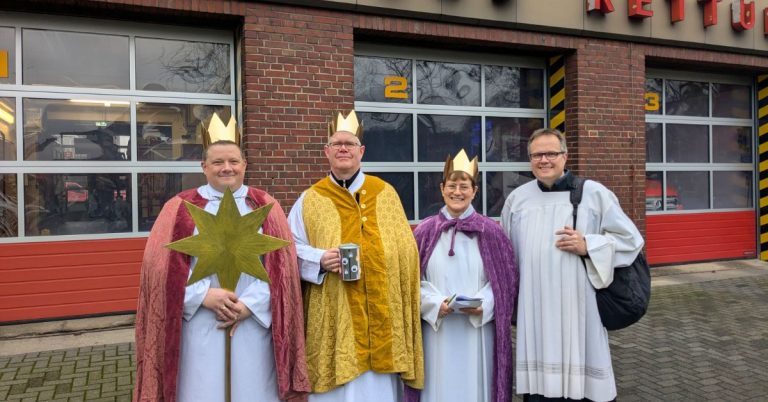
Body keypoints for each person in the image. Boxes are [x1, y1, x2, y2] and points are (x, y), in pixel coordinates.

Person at [134, 136, 310, 402]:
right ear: (204, 166)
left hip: (253, 324)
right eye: (217, 162)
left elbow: (282, 271)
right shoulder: (179, 208)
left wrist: (249, 305)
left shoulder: (266, 206)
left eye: (233, 161)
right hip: (200, 324)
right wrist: (202, 295)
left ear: (245, 165)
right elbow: (158, 271)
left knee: (254, 390)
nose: (226, 168)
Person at [288, 110, 423, 401]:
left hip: (381, 311)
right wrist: (320, 259)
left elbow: (407, 250)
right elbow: (289, 249)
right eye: (337, 144)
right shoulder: (310, 198)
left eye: (349, 144)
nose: (343, 149)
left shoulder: (385, 192)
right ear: (326, 152)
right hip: (334, 312)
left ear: (361, 151)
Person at [501, 128, 644, 402]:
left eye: (551, 153)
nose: (544, 160)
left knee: (583, 380)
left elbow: (631, 240)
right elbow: (506, 254)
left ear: (565, 156)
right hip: (535, 308)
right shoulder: (517, 200)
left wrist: (588, 245)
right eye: (537, 155)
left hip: (580, 306)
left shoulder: (593, 194)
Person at [405, 149, 518, 402]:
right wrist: (434, 305)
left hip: (477, 332)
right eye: (452, 185)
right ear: (442, 188)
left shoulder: (492, 232)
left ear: (475, 191)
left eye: (464, 186)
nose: (458, 192)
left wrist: (484, 305)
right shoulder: (423, 232)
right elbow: (409, 280)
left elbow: (505, 282)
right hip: (435, 332)